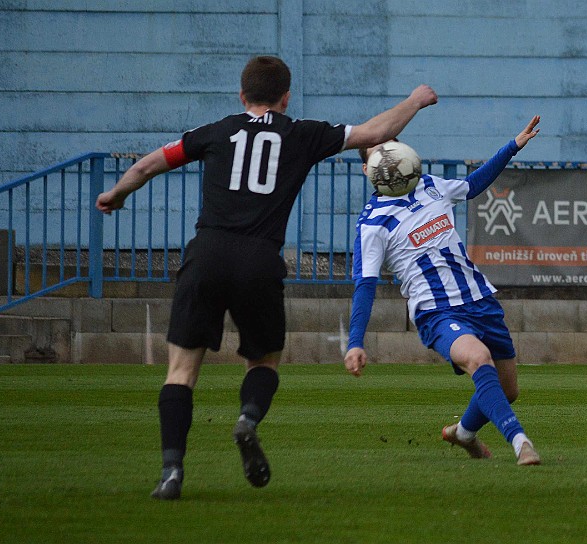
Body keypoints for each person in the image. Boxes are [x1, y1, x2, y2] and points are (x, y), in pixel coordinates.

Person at [95, 55, 438, 500]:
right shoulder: (301, 133)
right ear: (286, 96)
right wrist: (414, 100)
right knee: (264, 362)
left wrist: (116, 194)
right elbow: (374, 133)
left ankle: (171, 472)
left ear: (242, 96)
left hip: (208, 254)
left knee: (180, 372)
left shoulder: (214, 132)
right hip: (259, 260)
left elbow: (146, 166)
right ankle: (248, 420)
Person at [344, 116, 541, 466]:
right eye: (376, 157)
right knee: (479, 360)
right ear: (366, 171)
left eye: (389, 151)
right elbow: (365, 284)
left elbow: (471, 185)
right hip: (437, 311)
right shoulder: (372, 224)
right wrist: (355, 341)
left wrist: (511, 147)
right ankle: (520, 442)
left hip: (479, 298)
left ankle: (463, 433)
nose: (387, 162)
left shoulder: (431, 185)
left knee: (508, 390)